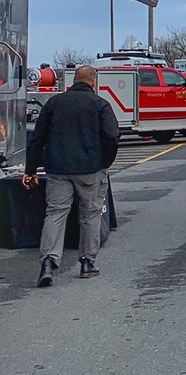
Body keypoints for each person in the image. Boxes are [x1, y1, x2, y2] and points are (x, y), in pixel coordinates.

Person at [22, 64, 118, 287]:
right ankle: (87, 263)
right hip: (90, 170)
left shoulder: (54, 103)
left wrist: (30, 170)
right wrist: (105, 163)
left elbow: (37, 138)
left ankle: (48, 262)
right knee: (90, 214)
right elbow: (111, 136)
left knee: (55, 214)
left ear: (73, 80)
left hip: (57, 170)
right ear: (93, 82)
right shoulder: (100, 104)